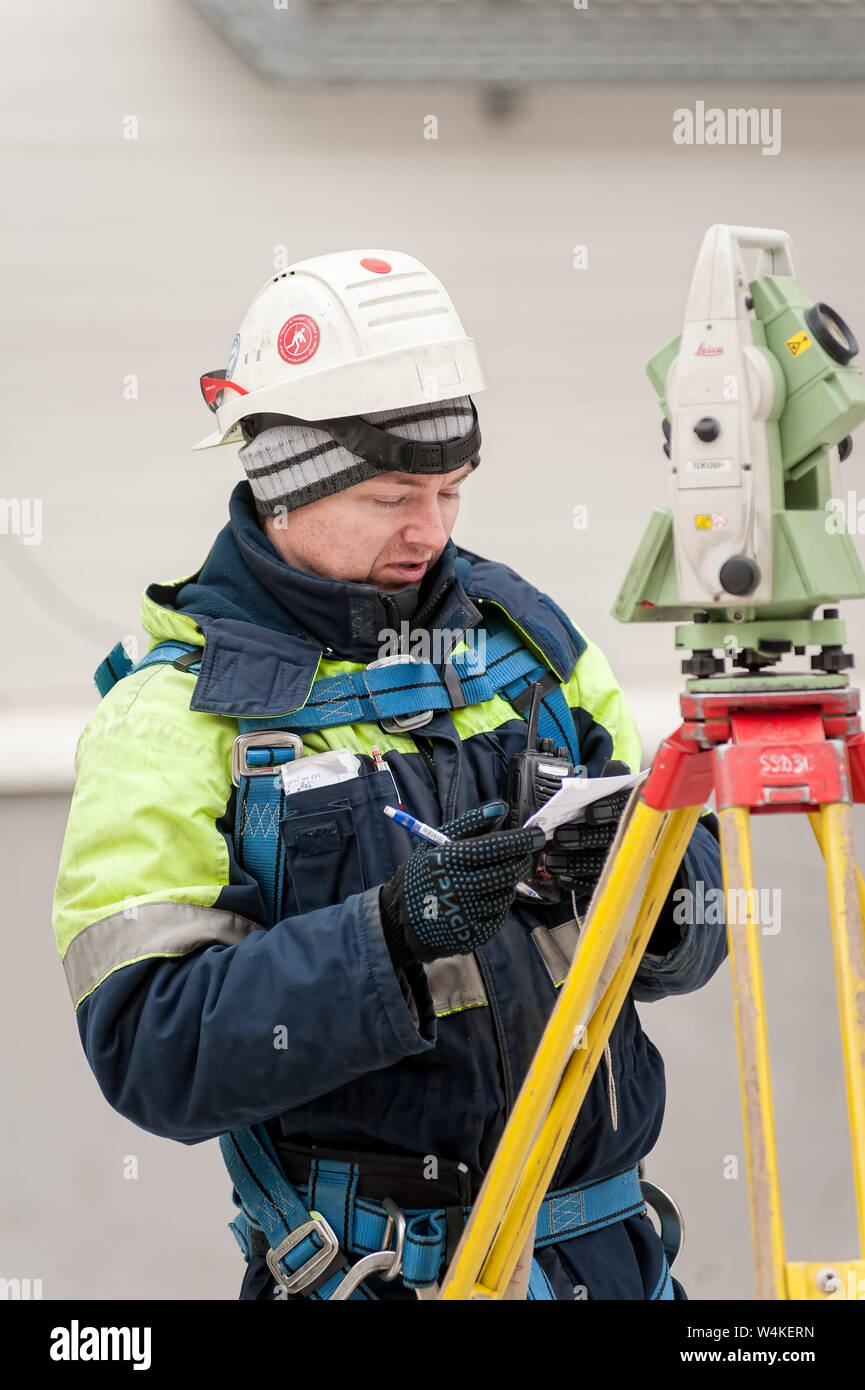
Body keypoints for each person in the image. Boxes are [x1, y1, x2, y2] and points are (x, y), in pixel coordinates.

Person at [52, 248, 727, 1302]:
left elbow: (699, 932)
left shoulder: (529, 642)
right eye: (390, 496)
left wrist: (650, 889)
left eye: (452, 491)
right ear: (283, 483)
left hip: (609, 1260)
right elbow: (154, 1050)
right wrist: (391, 941)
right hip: (375, 1273)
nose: (432, 530)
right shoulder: (172, 715)